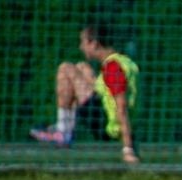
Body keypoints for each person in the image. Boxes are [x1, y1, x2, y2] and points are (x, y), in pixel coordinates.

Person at [30, 24, 139, 165]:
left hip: (107, 126)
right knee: (82, 67)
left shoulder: (113, 68)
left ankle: (63, 132)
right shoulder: (124, 62)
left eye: (83, 42)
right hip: (108, 115)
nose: (81, 47)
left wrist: (128, 149)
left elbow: (121, 107)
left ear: (94, 43)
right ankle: (65, 128)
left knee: (66, 69)